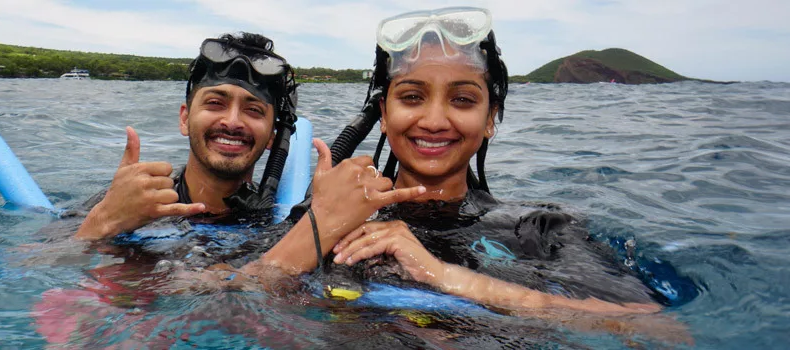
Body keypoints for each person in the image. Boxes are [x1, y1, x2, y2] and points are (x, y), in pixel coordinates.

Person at [242, 7, 690, 328]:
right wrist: (318, 226)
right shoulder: (326, 217)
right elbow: (222, 294)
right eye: (412, 96)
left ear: (490, 117)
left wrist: (440, 274)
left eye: (462, 99)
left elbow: (657, 327)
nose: (435, 120)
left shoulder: (538, 227)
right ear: (384, 113)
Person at [70, 32, 299, 241]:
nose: (232, 122)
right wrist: (104, 222)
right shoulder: (123, 203)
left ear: (273, 136)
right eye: (215, 103)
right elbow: (52, 260)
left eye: (253, 110)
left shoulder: (284, 224)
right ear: (185, 119)